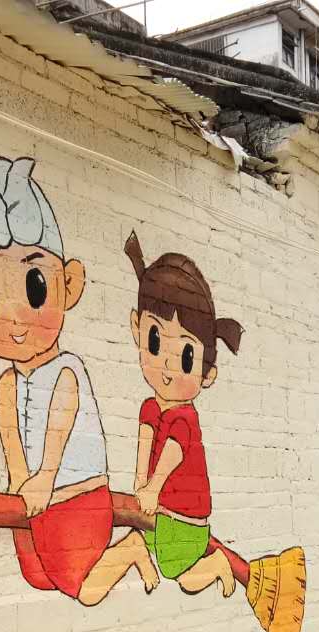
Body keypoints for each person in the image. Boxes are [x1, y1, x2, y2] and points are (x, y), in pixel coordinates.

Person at [0, 153, 157, 605]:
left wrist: (44, 477)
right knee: (38, 578)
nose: (15, 319)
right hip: (35, 498)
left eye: (34, 287)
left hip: (78, 495)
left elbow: (60, 422)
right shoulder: (7, 384)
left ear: (69, 284)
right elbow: (11, 442)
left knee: (83, 589)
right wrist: (20, 484)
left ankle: (131, 549)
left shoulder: (67, 369)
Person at [125, 231, 243, 597]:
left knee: (181, 573)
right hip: (159, 507)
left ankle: (217, 565)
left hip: (186, 514)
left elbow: (172, 454)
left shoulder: (185, 417)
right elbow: (145, 441)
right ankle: (144, 557)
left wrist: (153, 487)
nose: (167, 366)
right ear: (137, 328)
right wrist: (140, 485)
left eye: (186, 356)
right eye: (155, 340)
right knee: (140, 540)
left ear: (207, 375)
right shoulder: (150, 407)